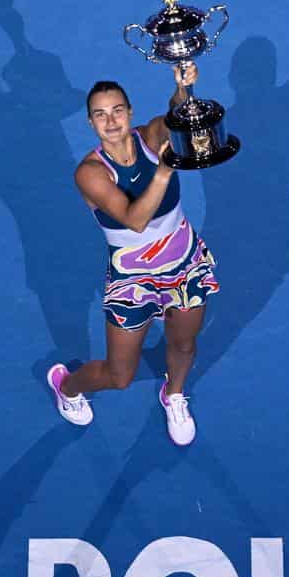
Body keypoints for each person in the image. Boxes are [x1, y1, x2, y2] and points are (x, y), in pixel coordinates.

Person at [45, 63, 218, 446]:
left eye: (118, 110)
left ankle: (174, 394)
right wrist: (163, 172)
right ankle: (67, 385)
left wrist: (184, 89)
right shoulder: (89, 173)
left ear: (131, 113)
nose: (111, 121)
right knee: (118, 376)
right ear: (90, 123)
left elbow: (176, 117)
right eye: (100, 115)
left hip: (183, 261)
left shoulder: (150, 135)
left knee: (184, 344)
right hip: (132, 278)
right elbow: (134, 220)